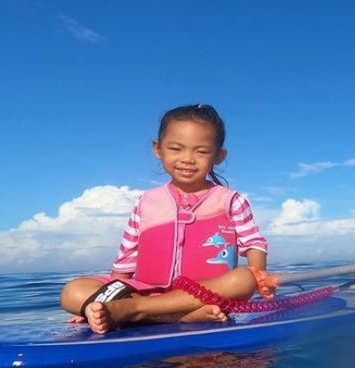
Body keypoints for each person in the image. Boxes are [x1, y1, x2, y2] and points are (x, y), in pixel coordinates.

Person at [60, 104, 269, 333]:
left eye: (201, 151)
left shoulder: (231, 200)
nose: (187, 159)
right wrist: (101, 300)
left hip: (205, 295)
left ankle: (137, 310)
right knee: (73, 291)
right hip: (147, 291)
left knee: (244, 279)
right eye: (176, 149)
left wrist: (259, 275)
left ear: (218, 156)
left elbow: (254, 242)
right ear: (158, 149)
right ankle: (177, 316)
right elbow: (126, 257)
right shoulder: (146, 202)